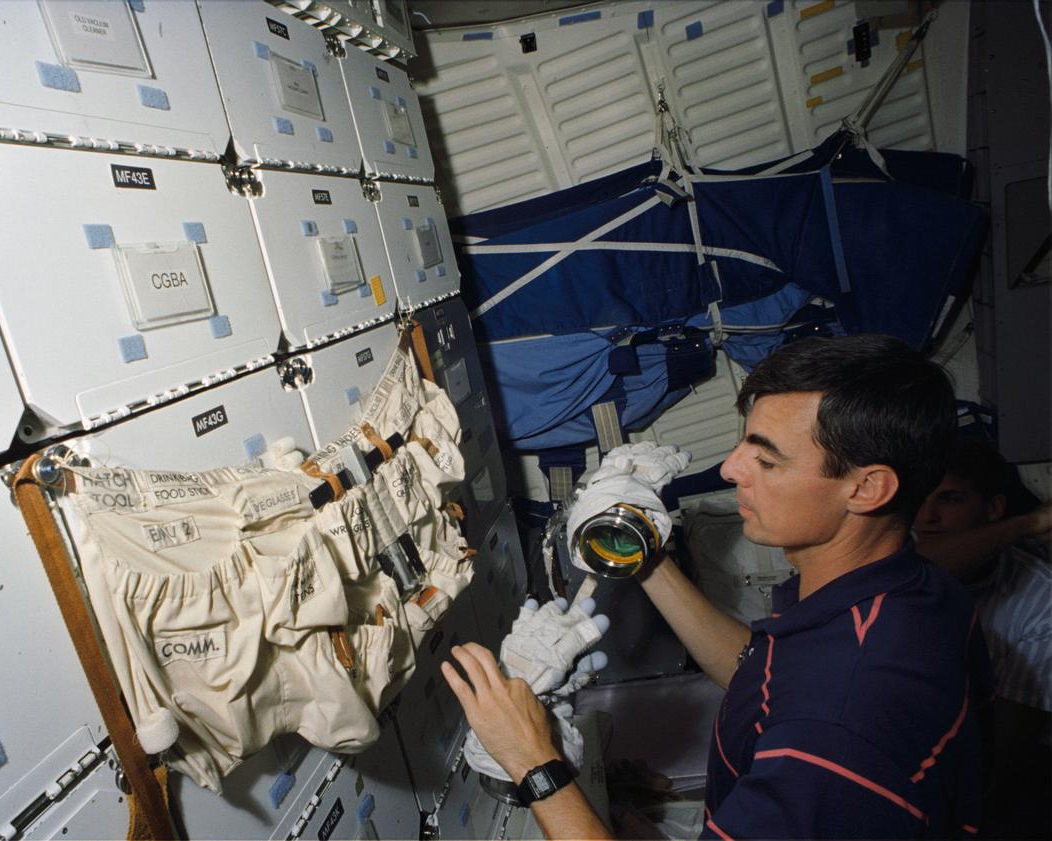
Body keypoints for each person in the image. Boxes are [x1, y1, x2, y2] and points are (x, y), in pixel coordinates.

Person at [442, 334, 990, 839]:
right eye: (742, 444)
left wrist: (533, 762)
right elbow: (757, 670)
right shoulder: (913, 591)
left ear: (867, 488)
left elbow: (819, 711)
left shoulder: (837, 726)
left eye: (766, 458)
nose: (730, 469)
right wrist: (644, 555)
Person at [914, 440, 1051, 840]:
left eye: (950, 499)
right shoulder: (900, 557)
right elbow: (922, 565)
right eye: (920, 498)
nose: (928, 515)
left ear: (993, 509)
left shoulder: (1039, 600)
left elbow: (999, 757)